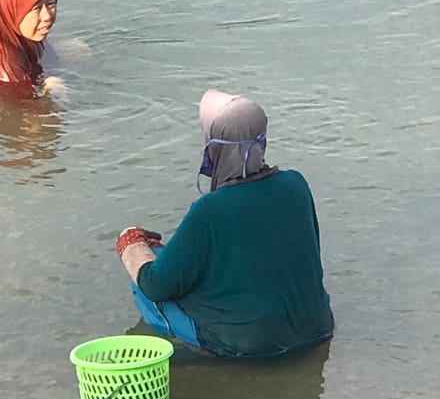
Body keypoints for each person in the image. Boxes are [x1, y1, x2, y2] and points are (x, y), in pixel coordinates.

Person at [115, 89, 334, 359]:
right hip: (318, 328)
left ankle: (189, 361)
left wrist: (131, 244)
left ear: (213, 146)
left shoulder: (211, 209)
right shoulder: (297, 184)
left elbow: (156, 285)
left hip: (248, 345)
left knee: (145, 277)